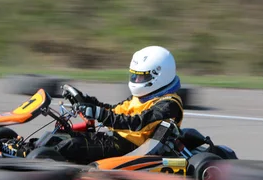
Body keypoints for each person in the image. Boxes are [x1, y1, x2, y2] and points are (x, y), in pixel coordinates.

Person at [49, 45, 184, 164]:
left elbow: (137, 123)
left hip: (131, 149)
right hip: (115, 139)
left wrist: (99, 114)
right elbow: (114, 111)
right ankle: (29, 152)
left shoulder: (168, 104)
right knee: (57, 138)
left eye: (141, 76)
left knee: (73, 146)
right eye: (134, 75)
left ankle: (38, 162)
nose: (136, 80)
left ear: (158, 76)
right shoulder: (142, 97)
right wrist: (85, 101)